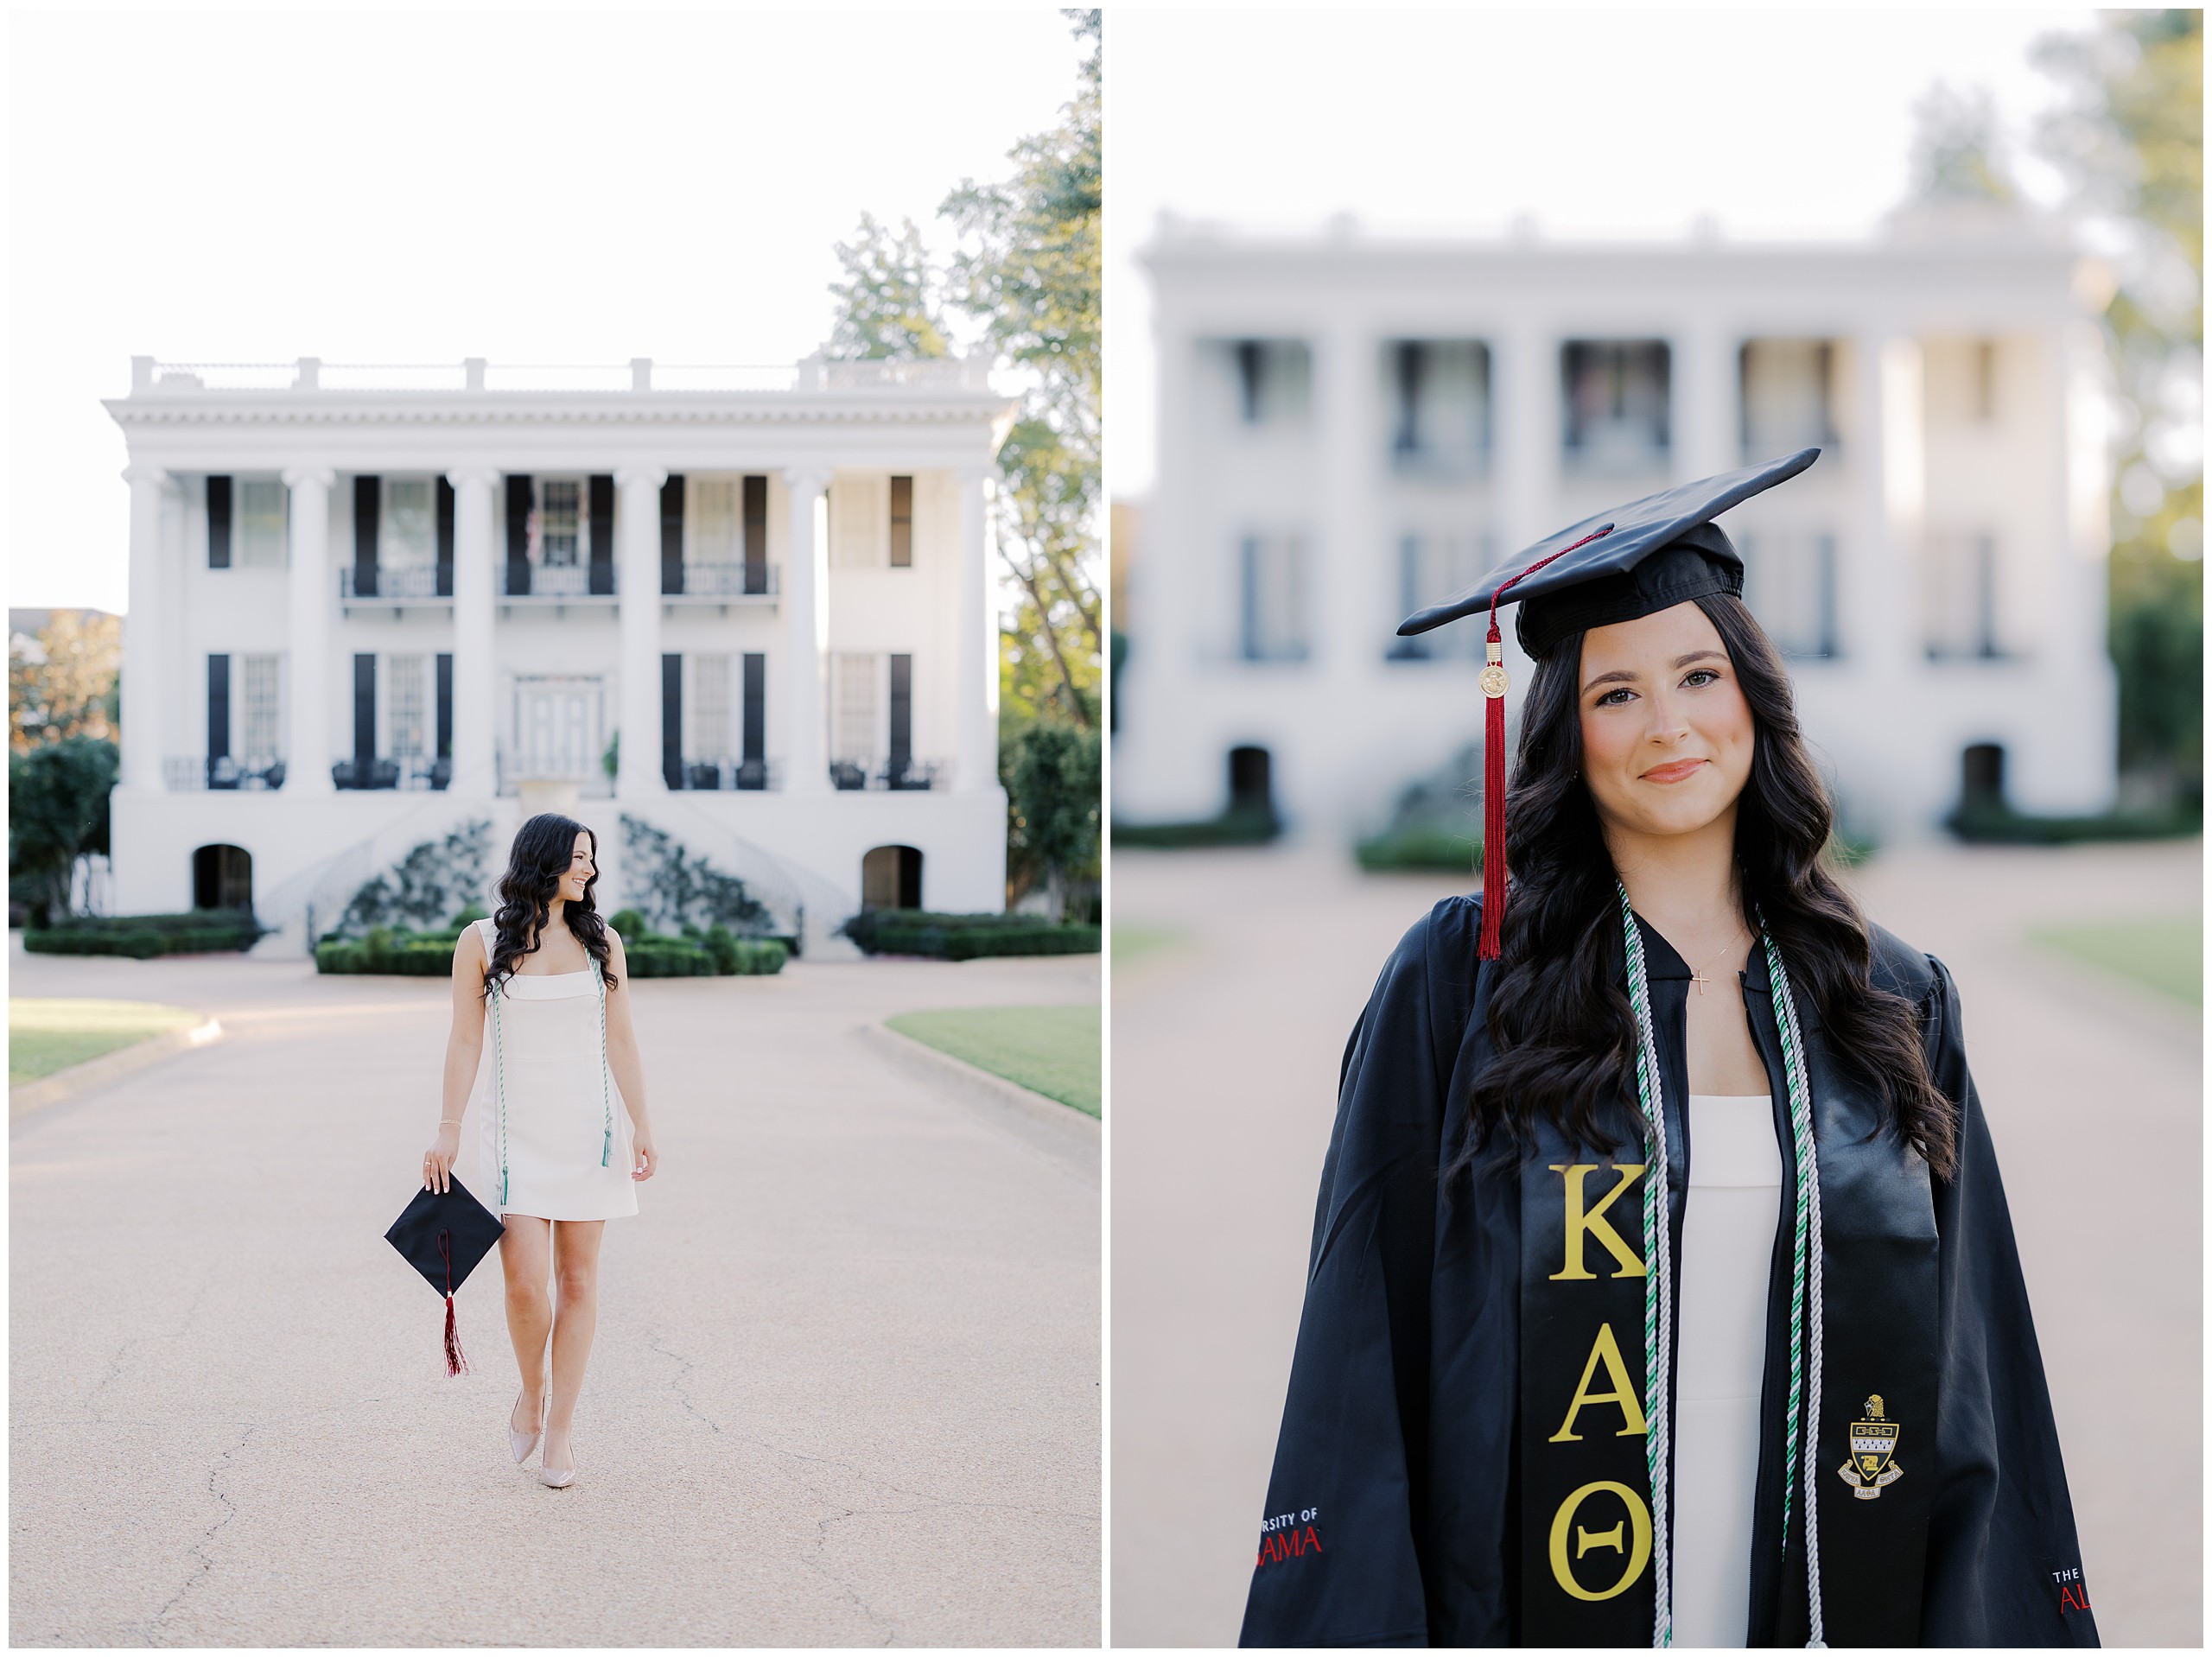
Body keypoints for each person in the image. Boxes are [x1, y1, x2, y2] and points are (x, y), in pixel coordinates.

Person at [1239, 452, 2097, 1648]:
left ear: (1755, 694)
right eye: (1616, 694)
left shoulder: (1889, 999)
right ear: (1568, 733)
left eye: (1699, 674)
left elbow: (1972, 1369)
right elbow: (1360, 1347)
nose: (1669, 724)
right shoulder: (1463, 985)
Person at [422, 812, 658, 1489]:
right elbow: (465, 1038)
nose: (588, 869)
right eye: (578, 857)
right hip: (513, 1138)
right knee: (525, 1284)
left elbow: (622, 1038)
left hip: (591, 1134)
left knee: (579, 1282)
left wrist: (642, 1122)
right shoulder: (480, 941)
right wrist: (448, 1128)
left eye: (591, 858)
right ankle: (532, 1390)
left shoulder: (602, 942)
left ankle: (560, 1432)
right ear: (543, 859)